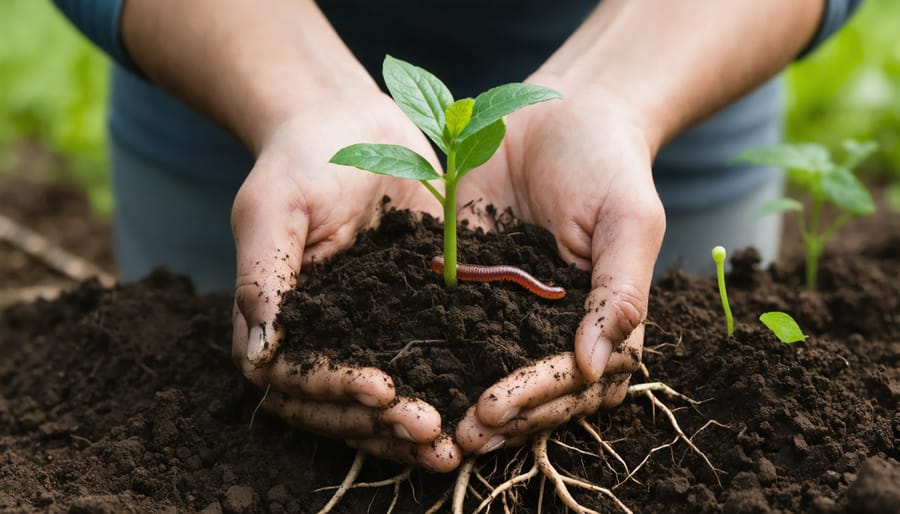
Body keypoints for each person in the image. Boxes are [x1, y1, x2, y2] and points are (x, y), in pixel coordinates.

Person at [53, 0, 862, 472]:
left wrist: (615, 97)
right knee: (215, 414)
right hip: (223, 56)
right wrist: (297, 102)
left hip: (681, 49)